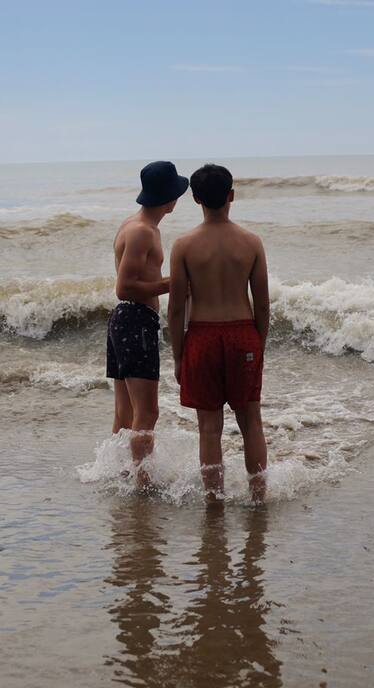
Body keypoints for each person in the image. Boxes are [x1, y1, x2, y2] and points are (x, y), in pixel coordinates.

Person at [168, 164, 270, 503]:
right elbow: (262, 304)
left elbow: (176, 309)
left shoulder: (184, 245)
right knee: (251, 423)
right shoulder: (251, 243)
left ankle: (214, 500)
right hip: (243, 335)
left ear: (196, 199)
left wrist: (178, 356)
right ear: (231, 196)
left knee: (209, 428)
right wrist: (259, 346)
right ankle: (258, 497)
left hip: (202, 338)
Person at [108, 161, 189, 490]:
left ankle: (119, 474)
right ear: (169, 198)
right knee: (147, 412)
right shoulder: (142, 231)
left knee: (125, 411)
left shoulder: (135, 224)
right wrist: (175, 282)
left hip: (125, 320)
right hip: (135, 320)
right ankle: (142, 482)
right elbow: (124, 286)